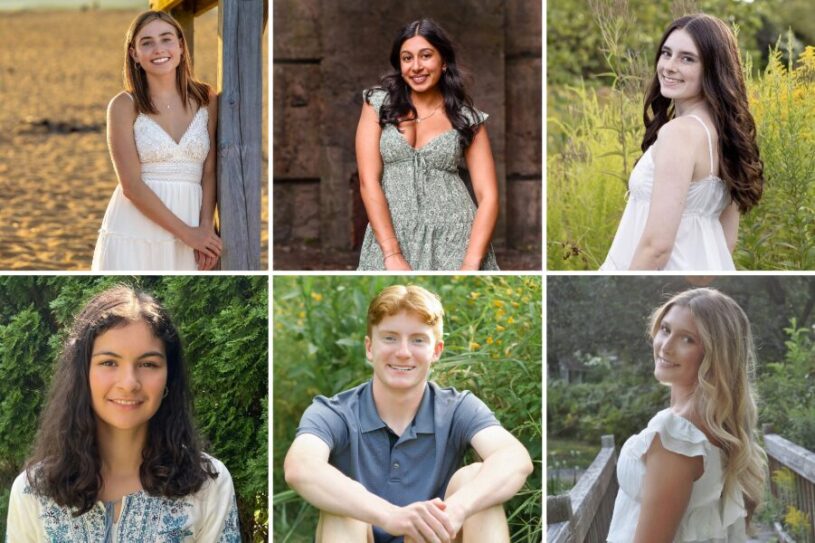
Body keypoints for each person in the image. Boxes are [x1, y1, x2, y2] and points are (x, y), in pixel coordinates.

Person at [284, 285, 532, 542]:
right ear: (370, 348)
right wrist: (391, 516)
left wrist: (457, 509)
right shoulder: (334, 412)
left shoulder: (457, 407)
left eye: (418, 340)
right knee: (343, 510)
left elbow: (515, 458)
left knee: (474, 479)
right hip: (358, 535)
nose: (403, 352)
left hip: (433, 538)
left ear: (436, 351)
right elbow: (300, 467)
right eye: (390, 338)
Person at [6, 285, 240, 542]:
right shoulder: (33, 491)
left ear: (168, 378)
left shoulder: (207, 485)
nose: (129, 383)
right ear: (83, 373)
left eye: (148, 364)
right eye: (109, 362)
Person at [601, 14, 764, 271]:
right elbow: (726, 242)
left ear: (713, 68)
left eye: (687, 58)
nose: (669, 66)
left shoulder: (679, 134)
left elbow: (657, 247)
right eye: (666, 53)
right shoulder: (729, 136)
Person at [607, 288, 767, 542]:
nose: (666, 347)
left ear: (715, 354)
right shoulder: (714, 424)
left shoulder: (677, 437)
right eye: (666, 330)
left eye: (687, 339)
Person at [356, 19, 500, 271]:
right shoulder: (377, 103)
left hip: (455, 237)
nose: (416, 66)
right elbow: (368, 181)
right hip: (391, 233)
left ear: (443, 62)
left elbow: (488, 196)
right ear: (399, 64)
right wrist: (391, 253)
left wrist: (471, 261)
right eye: (407, 58)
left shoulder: (468, 119)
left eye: (426, 56)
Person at [92, 10, 222, 271]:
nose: (158, 49)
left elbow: (209, 170)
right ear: (134, 54)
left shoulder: (206, 98)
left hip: (193, 219)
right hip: (137, 226)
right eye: (147, 42)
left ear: (181, 46)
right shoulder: (123, 105)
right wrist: (186, 233)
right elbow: (130, 185)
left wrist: (205, 227)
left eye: (166, 39)